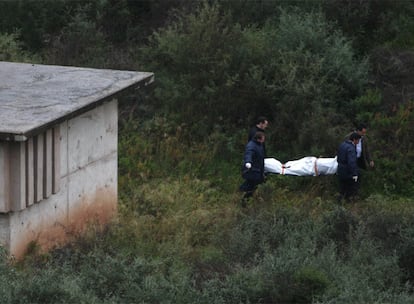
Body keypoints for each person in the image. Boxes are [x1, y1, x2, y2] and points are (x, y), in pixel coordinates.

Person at [239, 131, 266, 203]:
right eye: (263, 138)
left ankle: (250, 199)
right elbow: (249, 154)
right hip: (252, 170)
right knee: (251, 186)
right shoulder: (252, 146)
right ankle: (245, 200)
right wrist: (248, 162)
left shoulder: (259, 145)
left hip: (258, 170)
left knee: (256, 185)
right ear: (259, 139)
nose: (264, 140)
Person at [336, 132, 361, 203]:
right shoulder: (351, 148)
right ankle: (349, 204)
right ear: (354, 140)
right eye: (358, 140)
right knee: (350, 190)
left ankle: (339, 203)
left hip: (340, 169)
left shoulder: (342, 145)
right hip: (348, 172)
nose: (358, 142)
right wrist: (354, 173)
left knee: (342, 189)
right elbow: (351, 162)